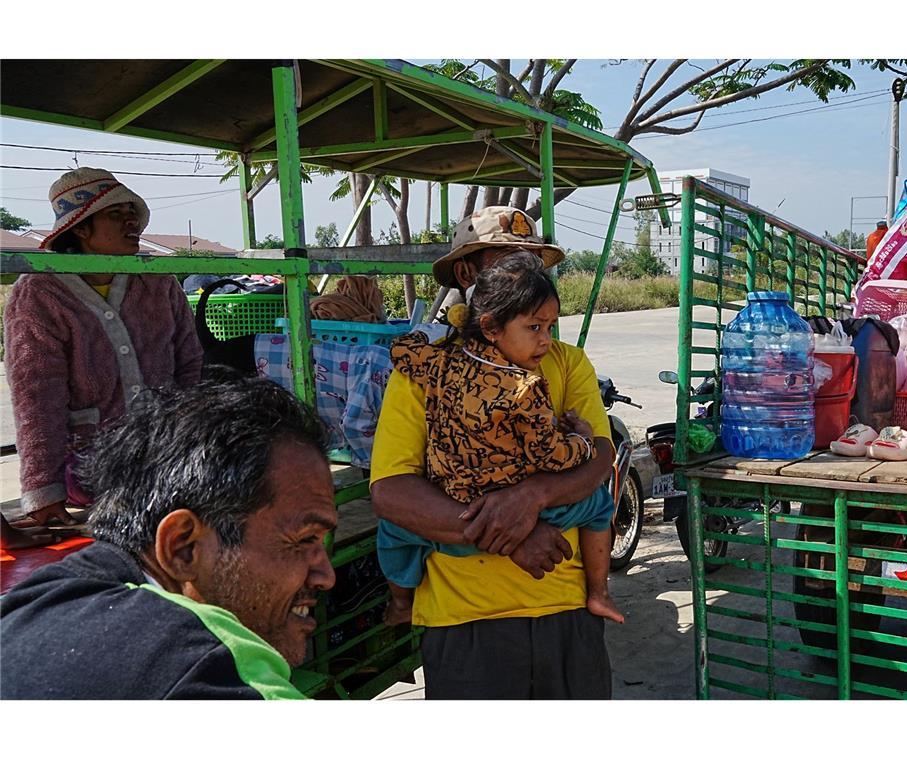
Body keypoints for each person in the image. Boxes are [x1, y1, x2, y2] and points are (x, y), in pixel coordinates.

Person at [370, 206, 616, 699]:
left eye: (533, 265)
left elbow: (601, 455)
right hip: (465, 617)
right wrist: (510, 537)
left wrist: (534, 494)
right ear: (468, 276)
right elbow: (392, 491)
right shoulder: (428, 369)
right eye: (507, 262)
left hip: (565, 608)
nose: (524, 275)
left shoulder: (564, 362)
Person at [0, 373, 337, 699]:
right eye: (305, 540)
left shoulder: (32, 604)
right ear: (183, 547)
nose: (327, 577)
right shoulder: (207, 665)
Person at [2, 167, 203, 533]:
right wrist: (43, 490)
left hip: (167, 453)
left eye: (132, 213)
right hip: (90, 467)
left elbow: (189, 365)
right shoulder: (40, 293)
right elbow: (37, 397)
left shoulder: (157, 281)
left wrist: (192, 443)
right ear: (79, 228)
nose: (132, 222)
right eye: (116, 214)